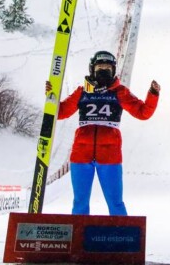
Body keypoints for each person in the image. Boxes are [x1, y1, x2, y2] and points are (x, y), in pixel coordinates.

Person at [49, 50, 160, 216]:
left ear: (113, 70)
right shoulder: (82, 91)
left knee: (115, 202)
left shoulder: (120, 92)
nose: (103, 70)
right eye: (100, 67)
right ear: (92, 69)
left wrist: (153, 94)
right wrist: (51, 96)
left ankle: (122, 238)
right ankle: (79, 238)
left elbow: (143, 112)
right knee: (80, 202)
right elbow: (61, 112)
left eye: (107, 67)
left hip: (110, 157)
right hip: (81, 155)